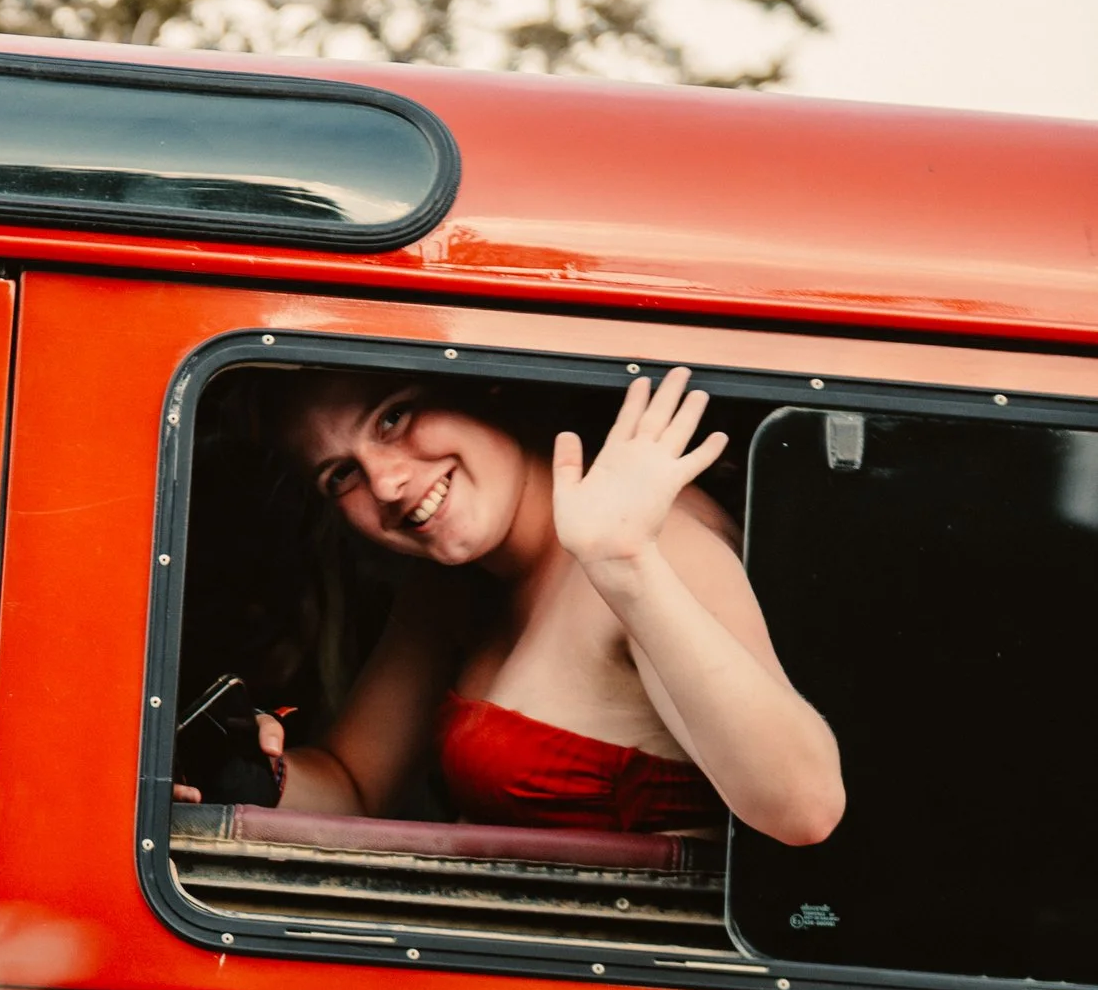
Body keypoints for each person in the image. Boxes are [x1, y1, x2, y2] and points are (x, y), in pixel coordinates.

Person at [222, 363, 843, 847]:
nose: (385, 483)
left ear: (483, 385)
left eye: (394, 418)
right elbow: (353, 786)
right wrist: (245, 767)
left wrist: (627, 566)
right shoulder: (449, 589)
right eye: (341, 476)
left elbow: (802, 808)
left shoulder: (656, 544)